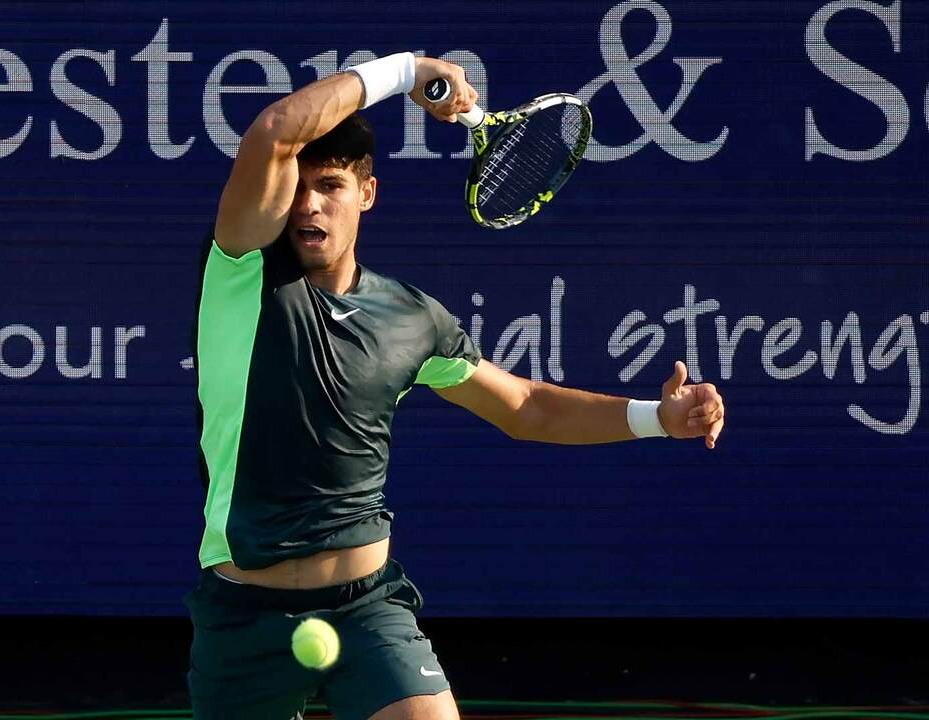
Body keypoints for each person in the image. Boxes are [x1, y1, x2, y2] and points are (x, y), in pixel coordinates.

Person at [186, 52, 726, 720]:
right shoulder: (241, 272)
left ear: (368, 194)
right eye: (298, 186)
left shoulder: (412, 318)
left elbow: (526, 408)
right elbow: (274, 132)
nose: (310, 204)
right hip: (243, 617)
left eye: (330, 185)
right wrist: (409, 71)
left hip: (365, 605)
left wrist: (655, 418)